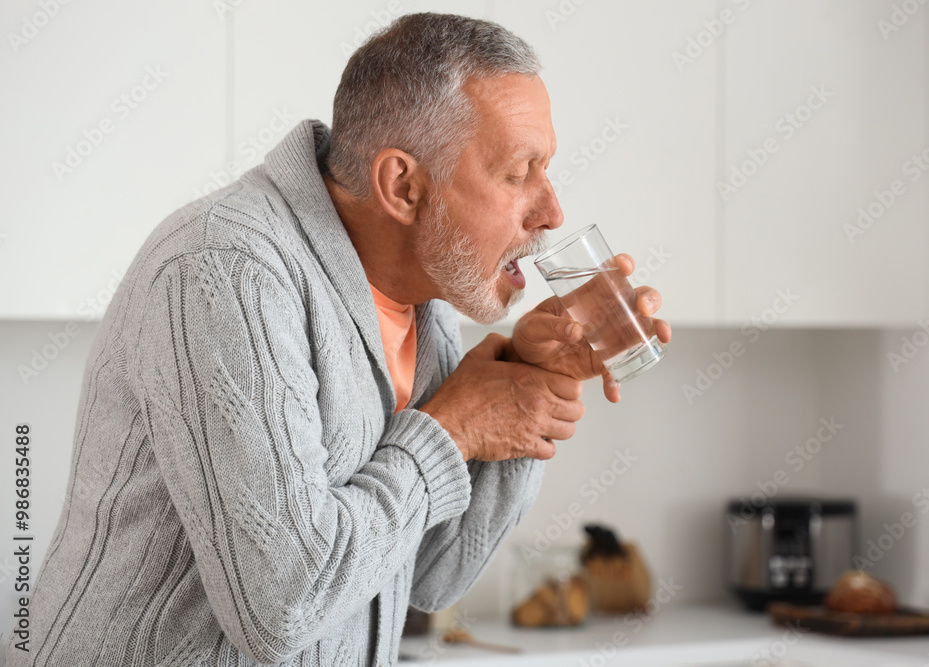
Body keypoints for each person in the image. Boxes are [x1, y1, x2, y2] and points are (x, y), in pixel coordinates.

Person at [6, 12, 669, 667]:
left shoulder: (425, 295)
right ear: (403, 186)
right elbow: (281, 607)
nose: (552, 210)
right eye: (519, 172)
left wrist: (523, 387)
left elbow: (434, 575)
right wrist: (453, 429)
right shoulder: (224, 269)